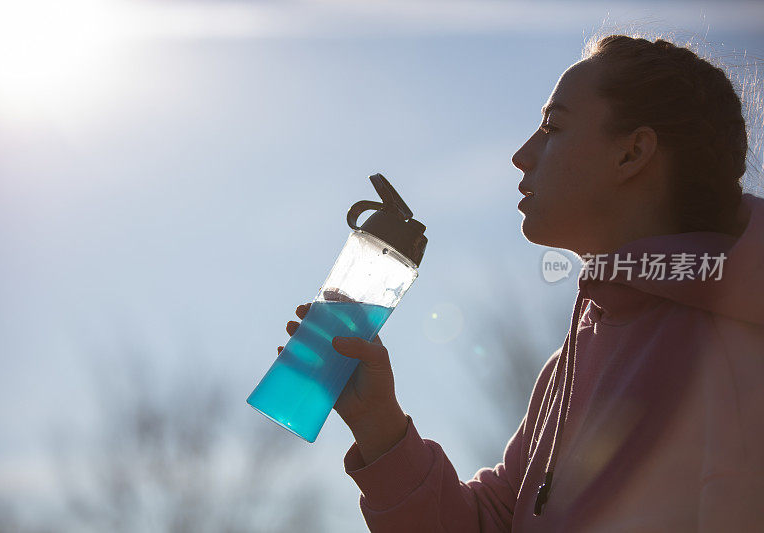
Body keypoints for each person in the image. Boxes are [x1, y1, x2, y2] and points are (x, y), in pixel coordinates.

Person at [282, 34, 764, 532]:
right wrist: (379, 422)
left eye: (553, 127)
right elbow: (492, 522)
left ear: (632, 153)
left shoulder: (735, 346)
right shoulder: (575, 357)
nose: (521, 154)